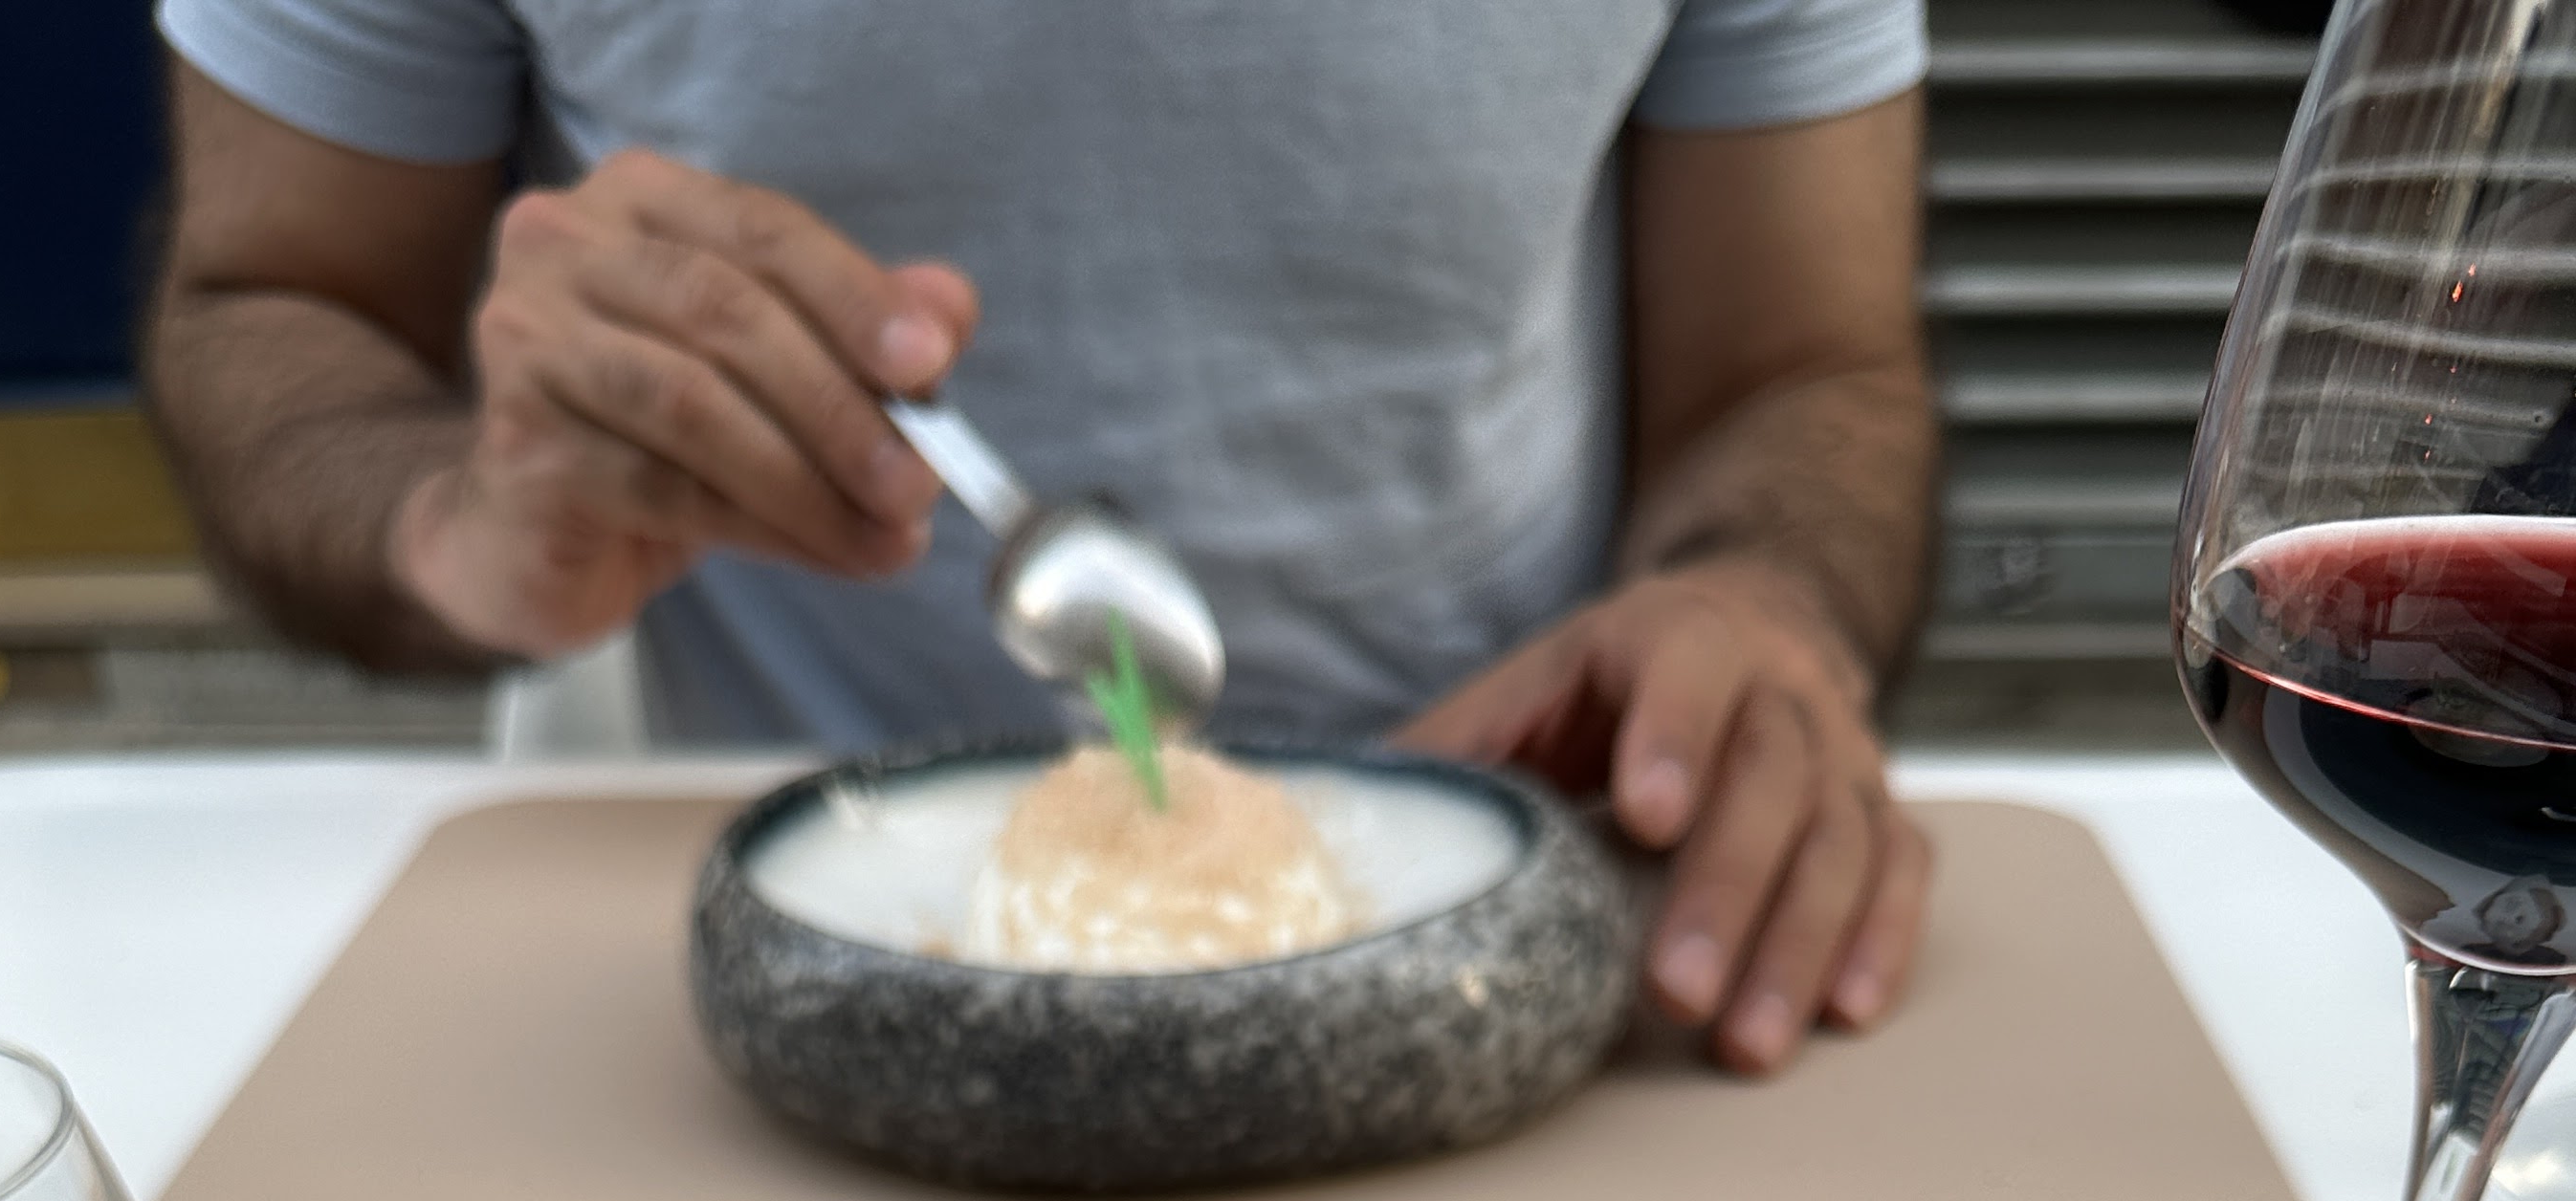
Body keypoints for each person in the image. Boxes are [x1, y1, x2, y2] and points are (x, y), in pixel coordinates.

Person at [146, 0, 1936, 1072]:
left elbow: (1804, 370)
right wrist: (450, 525)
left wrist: (1761, 593)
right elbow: (273, 304)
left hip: (1531, 926)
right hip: (766, 963)